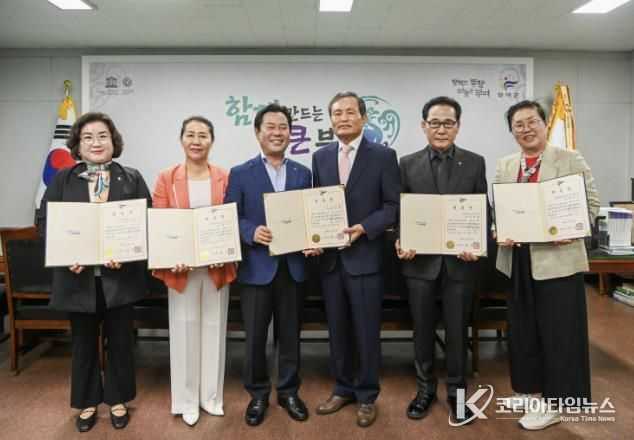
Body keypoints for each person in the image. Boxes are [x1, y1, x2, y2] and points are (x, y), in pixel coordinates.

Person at [38, 112, 151, 432]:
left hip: (120, 278)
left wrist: (127, 254)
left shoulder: (131, 178)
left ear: (114, 142)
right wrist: (65, 255)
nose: (96, 142)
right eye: (88, 137)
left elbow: (147, 221)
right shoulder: (63, 179)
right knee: (83, 343)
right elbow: (45, 222)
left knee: (120, 342)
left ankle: (117, 399)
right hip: (78, 279)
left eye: (103, 136)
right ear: (78, 144)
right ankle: (87, 402)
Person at [495, 100, 599, 430]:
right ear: (512, 131)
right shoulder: (505, 164)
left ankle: (557, 401)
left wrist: (572, 230)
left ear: (544, 124)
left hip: (558, 260)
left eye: (532, 122)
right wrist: (499, 228)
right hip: (518, 259)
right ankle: (530, 391)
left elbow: (591, 204)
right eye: (518, 124)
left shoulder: (569, 158)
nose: (526, 129)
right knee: (524, 330)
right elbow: (500, 209)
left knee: (560, 332)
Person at [396, 96, 488, 425]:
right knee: (421, 330)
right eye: (434, 123)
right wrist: (402, 240)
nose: (441, 129)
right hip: (419, 263)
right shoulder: (407, 163)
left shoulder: (475, 162)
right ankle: (424, 390)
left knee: (457, 331)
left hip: (459, 263)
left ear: (458, 127)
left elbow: (482, 209)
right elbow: (401, 211)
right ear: (424, 126)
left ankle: (457, 394)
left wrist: (477, 244)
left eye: (448, 123)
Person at [312, 91, 401, 428]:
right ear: (331, 120)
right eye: (337, 113)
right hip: (331, 261)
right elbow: (316, 203)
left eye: (350, 112)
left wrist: (364, 228)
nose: (343, 118)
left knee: (365, 330)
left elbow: (392, 206)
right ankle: (342, 388)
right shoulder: (320, 157)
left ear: (363, 117)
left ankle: (366, 395)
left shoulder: (383, 156)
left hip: (366, 258)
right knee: (337, 329)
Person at [224, 103, 312, 427]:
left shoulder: (303, 173)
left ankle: (288, 392)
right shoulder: (240, 172)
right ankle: (258, 393)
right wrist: (251, 232)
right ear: (258, 133)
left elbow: (311, 215)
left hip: (293, 268)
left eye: (283, 127)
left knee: (290, 335)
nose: (277, 133)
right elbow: (231, 215)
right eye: (271, 127)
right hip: (256, 269)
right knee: (255, 338)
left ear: (291, 133)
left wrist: (313, 236)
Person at [152, 116, 237, 426]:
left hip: (216, 267)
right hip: (181, 269)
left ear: (212, 140)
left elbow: (232, 218)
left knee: (215, 327)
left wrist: (223, 252)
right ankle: (187, 401)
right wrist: (171, 255)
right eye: (190, 135)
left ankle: (211, 398)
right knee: (184, 328)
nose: (196, 141)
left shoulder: (225, 176)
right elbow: (160, 221)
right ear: (181, 139)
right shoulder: (166, 177)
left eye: (203, 135)